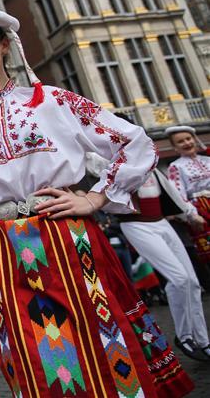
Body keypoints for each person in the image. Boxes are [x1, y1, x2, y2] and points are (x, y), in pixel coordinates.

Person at [0, 4, 193, 397]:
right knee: (36, 354)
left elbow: (134, 142)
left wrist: (95, 197)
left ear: (4, 45)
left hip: (69, 240)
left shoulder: (52, 101)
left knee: (101, 338)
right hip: (6, 254)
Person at [94, 143, 210, 361]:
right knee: (179, 278)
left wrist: (190, 215)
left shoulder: (151, 165)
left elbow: (171, 192)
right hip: (137, 224)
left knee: (192, 282)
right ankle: (184, 336)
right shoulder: (110, 166)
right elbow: (99, 175)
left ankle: (202, 340)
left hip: (162, 223)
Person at [167, 125, 210, 265]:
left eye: (188, 139)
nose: (187, 143)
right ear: (175, 147)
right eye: (181, 142)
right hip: (201, 210)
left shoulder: (207, 160)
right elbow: (178, 194)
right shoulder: (175, 166)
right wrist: (192, 214)